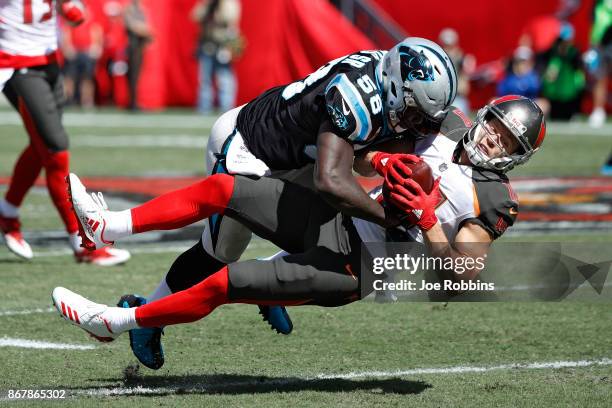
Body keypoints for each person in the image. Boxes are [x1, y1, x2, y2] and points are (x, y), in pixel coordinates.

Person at [60, 37, 459, 368]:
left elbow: (353, 153)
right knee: (218, 254)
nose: (418, 127)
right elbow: (332, 179)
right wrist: (389, 217)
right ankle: (136, 288)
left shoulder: (381, 85)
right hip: (248, 150)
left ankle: (267, 291)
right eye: (414, 113)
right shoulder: (357, 95)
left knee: (324, 231)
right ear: (394, 87)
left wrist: (382, 158)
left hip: (297, 157)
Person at [53, 96, 546, 355]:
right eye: (495, 127)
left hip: (361, 266)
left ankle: (114, 323)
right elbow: (367, 154)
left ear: (516, 156)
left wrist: (425, 220)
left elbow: (460, 279)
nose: (492, 141)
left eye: (506, 142)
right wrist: (382, 159)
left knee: (230, 281)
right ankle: (107, 226)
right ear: (485, 115)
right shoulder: (446, 123)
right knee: (226, 189)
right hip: (342, 215)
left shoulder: (495, 197)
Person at [0, 0, 130, 265]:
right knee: (56, 150)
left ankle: (7, 212)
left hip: (49, 62)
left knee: (43, 147)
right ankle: (82, 242)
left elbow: (70, 10)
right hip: (17, 65)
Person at [191, 0, 242, 114]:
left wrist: (220, 5)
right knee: (205, 78)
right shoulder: (207, 3)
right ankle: (204, 107)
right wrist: (208, 5)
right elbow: (195, 16)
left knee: (224, 78)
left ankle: (226, 107)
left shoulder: (230, 3)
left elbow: (228, 19)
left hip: (223, 44)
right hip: (207, 44)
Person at [60, 7, 104, 108]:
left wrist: (96, 47)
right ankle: (68, 99)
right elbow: (66, 33)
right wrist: (67, 47)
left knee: (87, 78)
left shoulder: (92, 24)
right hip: (74, 52)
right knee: (69, 77)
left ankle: (87, 101)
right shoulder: (71, 23)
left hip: (87, 53)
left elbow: (97, 33)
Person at [540, 23, 585, 120]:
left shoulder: (574, 52)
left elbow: (578, 71)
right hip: (554, 90)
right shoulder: (551, 52)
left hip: (569, 90)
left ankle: (574, 113)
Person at [497, 46, 550, 115]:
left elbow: (536, 88)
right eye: (519, 61)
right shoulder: (509, 77)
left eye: (524, 62)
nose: (522, 64)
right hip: (511, 105)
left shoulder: (534, 76)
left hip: (530, 105)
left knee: (544, 104)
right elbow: (501, 92)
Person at [438, 28, 475, 114]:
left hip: (458, 98)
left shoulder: (463, 58)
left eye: (450, 46)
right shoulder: (438, 59)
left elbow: (465, 85)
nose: (448, 49)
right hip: (441, 98)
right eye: (445, 46)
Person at [587, 0, 612, 128]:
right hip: (597, 45)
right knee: (599, 77)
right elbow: (594, 21)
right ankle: (598, 111)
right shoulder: (598, 2)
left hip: (609, 42)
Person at [123, 0, 152, 111]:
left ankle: (134, 101)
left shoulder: (142, 9)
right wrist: (143, 29)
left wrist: (144, 30)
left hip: (140, 46)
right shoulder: (128, 9)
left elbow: (147, 27)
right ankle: (132, 102)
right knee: (132, 76)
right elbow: (133, 26)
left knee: (136, 76)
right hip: (133, 46)